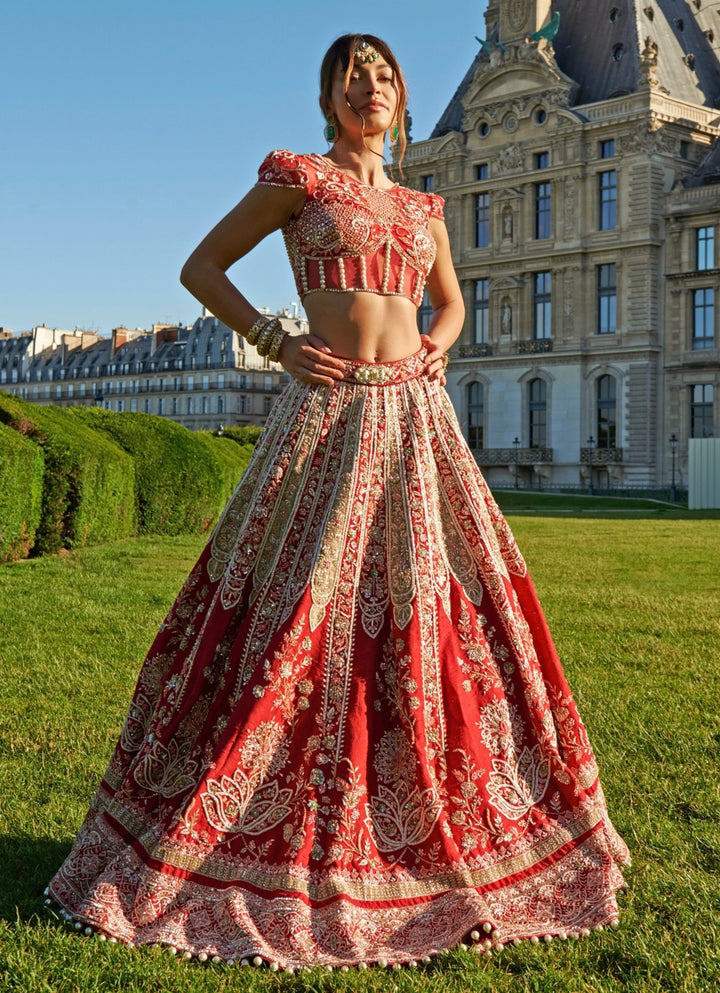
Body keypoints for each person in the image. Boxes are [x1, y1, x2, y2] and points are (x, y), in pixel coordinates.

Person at [47, 33, 629, 971]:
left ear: (401, 96)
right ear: (329, 95)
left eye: (386, 73)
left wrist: (439, 345)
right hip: (326, 412)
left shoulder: (422, 204)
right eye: (354, 74)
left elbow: (451, 301)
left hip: (415, 419)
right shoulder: (300, 178)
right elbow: (203, 268)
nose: (373, 86)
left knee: (433, 612)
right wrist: (276, 342)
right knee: (292, 610)